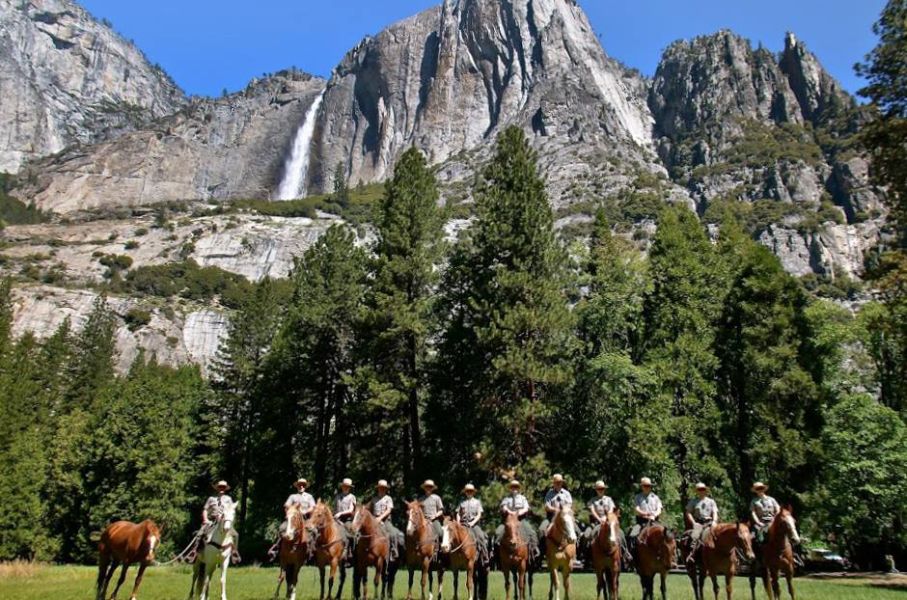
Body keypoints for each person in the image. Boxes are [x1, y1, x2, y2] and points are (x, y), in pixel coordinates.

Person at [582, 481, 629, 562]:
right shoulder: (592, 500)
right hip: (596, 523)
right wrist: (599, 519)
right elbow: (592, 511)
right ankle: (585, 556)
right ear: (596, 490)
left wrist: (606, 518)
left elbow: (611, 510)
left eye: (602, 489)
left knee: (621, 533)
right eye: (599, 489)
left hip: (608, 522)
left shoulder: (609, 500)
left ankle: (625, 553)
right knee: (586, 535)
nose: (601, 490)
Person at [187, 480, 235, 562]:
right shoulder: (211, 499)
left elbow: (231, 510)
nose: (221, 488)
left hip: (224, 521)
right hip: (211, 521)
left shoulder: (229, 499)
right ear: (217, 488)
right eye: (220, 487)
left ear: (226, 488)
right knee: (200, 533)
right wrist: (205, 519)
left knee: (232, 535)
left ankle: (233, 553)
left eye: (223, 487)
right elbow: (205, 510)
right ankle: (194, 552)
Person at [269, 478, 316, 560]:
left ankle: (313, 551)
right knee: (282, 528)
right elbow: (286, 505)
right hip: (293, 520)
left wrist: (305, 511)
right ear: (297, 486)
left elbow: (313, 507)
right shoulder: (292, 496)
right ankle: (276, 548)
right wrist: (291, 511)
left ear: (305, 486)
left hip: (305, 519)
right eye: (299, 485)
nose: (301, 486)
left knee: (314, 530)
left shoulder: (309, 497)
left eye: (303, 485)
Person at [495, 480, 538, 559]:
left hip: (520, 520)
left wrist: (518, 513)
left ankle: (534, 549)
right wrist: (510, 512)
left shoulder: (522, 498)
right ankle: (496, 553)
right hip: (508, 520)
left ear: (518, 488)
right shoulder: (506, 499)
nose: (514, 489)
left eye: (516, 487)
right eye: (512, 487)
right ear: (510, 488)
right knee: (498, 532)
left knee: (532, 532)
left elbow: (526, 508)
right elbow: (503, 507)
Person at [684, 482, 718, 567]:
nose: (701, 491)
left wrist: (714, 521)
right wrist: (693, 523)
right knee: (695, 535)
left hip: (710, 522)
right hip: (699, 522)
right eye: (699, 489)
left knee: (721, 535)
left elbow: (715, 512)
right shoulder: (693, 501)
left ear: (706, 490)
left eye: (703, 489)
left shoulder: (711, 501)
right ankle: (692, 554)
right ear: (697, 491)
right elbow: (688, 512)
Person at [628, 477, 662, 557]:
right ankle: (632, 556)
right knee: (632, 535)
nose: (647, 487)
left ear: (650, 487)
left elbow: (659, 509)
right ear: (642, 487)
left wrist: (654, 515)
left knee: (666, 534)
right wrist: (645, 514)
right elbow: (636, 509)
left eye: (648, 486)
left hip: (654, 521)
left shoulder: (656, 497)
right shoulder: (638, 497)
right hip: (641, 522)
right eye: (645, 486)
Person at [456, 483, 489, 565]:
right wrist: (458, 522)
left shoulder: (477, 502)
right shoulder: (461, 502)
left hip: (474, 525)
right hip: (463, 524)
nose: (469, 493)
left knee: (481, 536)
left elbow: (479, 514)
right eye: (467, 491)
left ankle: (485, 555)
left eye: (470, 491)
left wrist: (472, 522)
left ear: (473, 492)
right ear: (465, 492)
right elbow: (458, 513)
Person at [371, 479, 403, 560]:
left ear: (386, 489)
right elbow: (370, 510)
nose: (382, 489)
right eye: (380, 488)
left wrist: (380, 518)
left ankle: (393, 550)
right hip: (374, 520)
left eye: (383, 488)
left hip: (385, 521)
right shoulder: (374, 499)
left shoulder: (388, 498)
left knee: (393, 533)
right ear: (378, 488)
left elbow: (389, 510)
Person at [540, 473, 573, 538]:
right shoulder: (549, 493)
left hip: (565, 516)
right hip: (551, 517)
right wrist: (555, 509)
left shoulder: (566, 493)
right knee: (541, 529)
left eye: (560, 482)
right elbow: (547, 506)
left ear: (562, 483)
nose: (558, 484)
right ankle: (542, 547)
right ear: (553, 483)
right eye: (556, 482)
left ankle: (577, 546)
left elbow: (569, 504)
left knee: (577, 530)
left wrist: (563, 510)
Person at [418, 479, 445, 554]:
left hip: (434, 520)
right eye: (427, 487)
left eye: (430, 487)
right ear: (424, 488)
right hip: (424, 521)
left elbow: (441, 510)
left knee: (440, 533)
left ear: (432, 488)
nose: (428, 488)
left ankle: (441, 550)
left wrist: (435, 516)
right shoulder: (420, 499)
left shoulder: (436, 498)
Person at [334, 478, 357, 560]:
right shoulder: (337, 496)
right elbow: (335, 509)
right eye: (344, 486)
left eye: (347, 486)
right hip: (337, 519)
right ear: (342, 486)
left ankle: (350, 551)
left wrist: (340, 513)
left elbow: (351, 510)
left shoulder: (352, 497)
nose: (346, 487)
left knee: (351, 534)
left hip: (347, 520)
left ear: (350, 487)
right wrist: (335, 517)